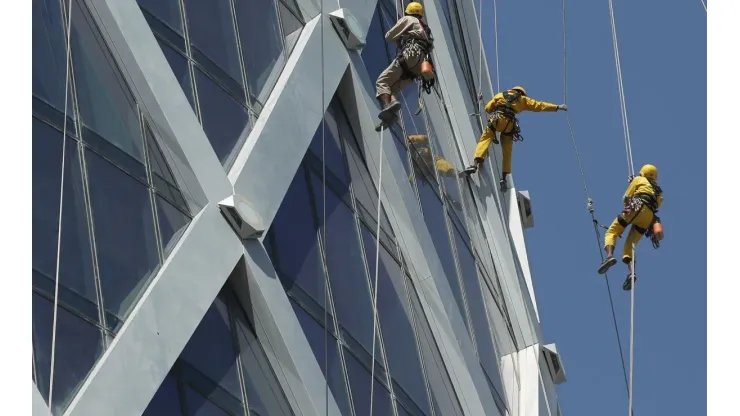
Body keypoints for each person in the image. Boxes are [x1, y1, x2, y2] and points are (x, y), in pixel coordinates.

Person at [461, 86, 566, 191]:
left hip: (497, 120)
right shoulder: (524, 100)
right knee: (507, 152)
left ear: (513, 90)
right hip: (509, 125)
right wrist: (557, 107)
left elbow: (488, 108)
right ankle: (504, 179)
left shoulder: (500, 95)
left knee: (485, 140)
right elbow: (540, 106)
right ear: (522, 93)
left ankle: (475, 164)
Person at [597, 164, 664, 291]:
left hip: (636, 208)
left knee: (612, 232)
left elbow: (626, 197)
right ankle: (631, 273)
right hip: (648, 218)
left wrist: (633, 182)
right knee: (629, 246)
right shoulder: (658, 192)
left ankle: (610, 256)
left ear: (643, 172)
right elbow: (657, 204)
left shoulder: (639, 179)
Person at [376, 2, 434, 124]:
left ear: (408, 12)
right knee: (391, 89)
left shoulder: (409, 19)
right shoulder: (426, 30)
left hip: (410, 56)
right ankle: (392, 114)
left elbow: (389, 36)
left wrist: (400, 36)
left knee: (382, 81)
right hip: (418, 67)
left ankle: (387, 107)